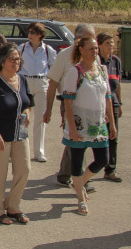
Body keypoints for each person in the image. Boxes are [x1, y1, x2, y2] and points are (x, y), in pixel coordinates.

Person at [0, 43, 33, 225]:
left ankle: (13, 206)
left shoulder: (22, 79)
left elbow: (27, 104)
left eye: (18, 59)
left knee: (24, 170)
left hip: (20, 133)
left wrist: (27, 113)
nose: (16, 62)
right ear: (2, 61)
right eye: (12, 59)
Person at [60, 37, 116, 216]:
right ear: (81, 50)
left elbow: (108, 98)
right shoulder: (74, 72)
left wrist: (112, 124)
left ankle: (80, 183)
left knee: (103, 159)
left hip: (98, 126)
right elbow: (68, 102)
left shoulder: (102, 70)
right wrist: (73, 128)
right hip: (79, 125)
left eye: (96, 49)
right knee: (77, 161)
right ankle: (80, 198)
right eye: (91, 48)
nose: (95, 52)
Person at [44, 24, 98, 189]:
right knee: (78, 140)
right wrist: (48, 109)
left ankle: (65, 174)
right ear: (78, 39)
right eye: (89, 39)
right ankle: (81, 179)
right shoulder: (65, 56)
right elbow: (53, 82)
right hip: (70, 105)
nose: (94, 45)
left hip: (91, 107)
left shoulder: (95, 55)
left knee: (76, 140)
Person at [19, 22, 57, 162]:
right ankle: (21, 149)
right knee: (23, 117)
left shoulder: (48, 50)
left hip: (42, 84)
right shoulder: (22, 48)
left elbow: (54, 71)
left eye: (33, 33)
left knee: (40, 119)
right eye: (29, 32)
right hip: (25, 83)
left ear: (40, 35)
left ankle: (39, 152)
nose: (30, 35)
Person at [97, 32, 123, 182]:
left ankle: (110, 169)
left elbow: (118, 84)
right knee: (93, 136)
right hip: (98, 104)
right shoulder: (95, 61)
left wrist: (120, 103)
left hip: (112, 102)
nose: (111, 46)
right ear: (99, 45)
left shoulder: (116, 61)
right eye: (107, 43)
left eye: (112, 43)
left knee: (113, 136)